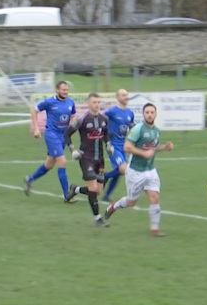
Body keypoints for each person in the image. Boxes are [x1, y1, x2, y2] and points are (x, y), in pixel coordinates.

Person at [104, 103, 174, 237]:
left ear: (155, 114)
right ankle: (114, 206)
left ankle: (154, 229)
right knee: (131, 202)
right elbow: (127, 147)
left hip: (150, 170)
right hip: (135, 171)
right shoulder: (138, 129)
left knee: (154, 197)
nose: (149, 114)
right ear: (143, 114)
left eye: (152, 112)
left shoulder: (156, 131)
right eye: (147, 112)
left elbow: (152, 148)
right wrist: (143, 153)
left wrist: (165, 147)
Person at [64, 93, 111, 226]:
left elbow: (106, 134)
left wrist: (108, 144)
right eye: (94, 102)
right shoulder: (82, 119)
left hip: (100, 159)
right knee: (93, 188)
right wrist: (73, 149)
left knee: (98, 190)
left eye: (98, 102)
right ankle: (97, 219)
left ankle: (76, 189)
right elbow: (67, 134)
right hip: (86, 158)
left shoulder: (104, 119)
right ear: (89, 103)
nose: (97, 104)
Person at [24, 80, 76, 200]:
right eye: (63, 90)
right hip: (52, 135)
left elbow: (73, 116)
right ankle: (66, 195)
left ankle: (29, 179)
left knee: (49, 164)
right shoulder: (50, 101)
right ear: (57, 90)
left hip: (63, 136)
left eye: (67, 90)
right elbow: (34, 110)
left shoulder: (70, 102)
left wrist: (74, 122)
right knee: (62, 162)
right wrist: (36, 128)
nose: (65, 92)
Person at [101, 88, 134, 202]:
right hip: (113, 145)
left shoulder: (130, 113)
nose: (126, 97)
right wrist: (106, 138)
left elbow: (130, 126)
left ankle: (107, 195)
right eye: (123, 95)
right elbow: (101, 121)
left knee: (119, 171)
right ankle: (104, 177)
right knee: (123, 169)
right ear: (118, 98)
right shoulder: (112, 111)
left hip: (122, 146)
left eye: (126, 94)